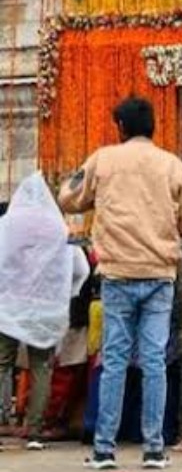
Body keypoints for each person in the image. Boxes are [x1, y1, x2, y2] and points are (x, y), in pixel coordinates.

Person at [59, 95, 182, 470]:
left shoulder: (102, 159)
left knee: (116, 359)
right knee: (154, 359)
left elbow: (68, 197)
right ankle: (154, 448)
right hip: (159, 276)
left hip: (118, 274)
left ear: (121, 127)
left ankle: (105, 448)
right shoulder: (173, 166)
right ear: (153, 126)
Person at [0, 174, 90, 450]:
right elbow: (81, 270)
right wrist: (65, 294)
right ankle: (36, 431)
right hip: (46, 311)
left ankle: (2, 422)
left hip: (7, 307)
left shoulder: (6, 226)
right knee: (42, 367)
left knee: (2, 365)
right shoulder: (57, 229)